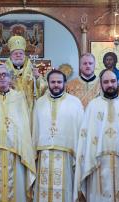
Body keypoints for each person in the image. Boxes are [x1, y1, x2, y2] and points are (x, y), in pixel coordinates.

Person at [74, 69, 119, 202]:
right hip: (97, 164)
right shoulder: (92, 106)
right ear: (101, 84)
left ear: (118, 83)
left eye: (113, 81)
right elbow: (85, 137)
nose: (110, 85)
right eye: (106, 82)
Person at [0, 64, 36, 202]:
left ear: (10, 78)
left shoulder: (19, 98)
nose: (1, 78)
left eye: (4, 75)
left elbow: (24, 126)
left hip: (15, 153)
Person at [33, 69, 84, 202]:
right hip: (44, 154)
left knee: (65, 190)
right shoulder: (40, 103)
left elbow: (80, 129)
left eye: (59, 82)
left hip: (67, 155)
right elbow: (35, 129)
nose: (56, 85)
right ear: (48, 83)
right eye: (53, 82)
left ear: (65, 83)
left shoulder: (75, 102)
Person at [5, 35, 46, 112]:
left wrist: (37, 78)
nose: (18, 55)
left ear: (24, 55)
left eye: (20, 53)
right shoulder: (4, 71)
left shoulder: (32, 69)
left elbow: (43, 89)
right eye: (15, 53)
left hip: (29, 107)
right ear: (11, 56)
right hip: (11, 107)